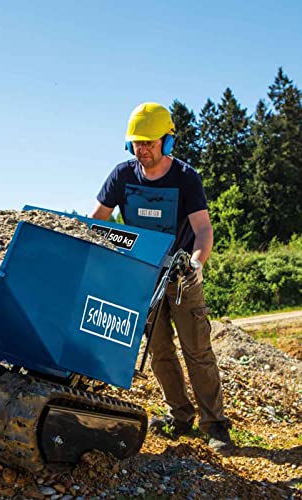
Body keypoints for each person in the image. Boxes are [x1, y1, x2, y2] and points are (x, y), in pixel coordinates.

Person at [90, 102, 232, 453]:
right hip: (143, 275)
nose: (142, 149)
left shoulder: (185, 177)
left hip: (182, 276)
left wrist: (196, 264)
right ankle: (179, 415)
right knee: (158, 350)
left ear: (167, 142)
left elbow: (203, 229)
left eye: (149, 143)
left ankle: (215, 424)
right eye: (137, 143)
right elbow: (96, 221)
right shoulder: (122, 176)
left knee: (197, 349)